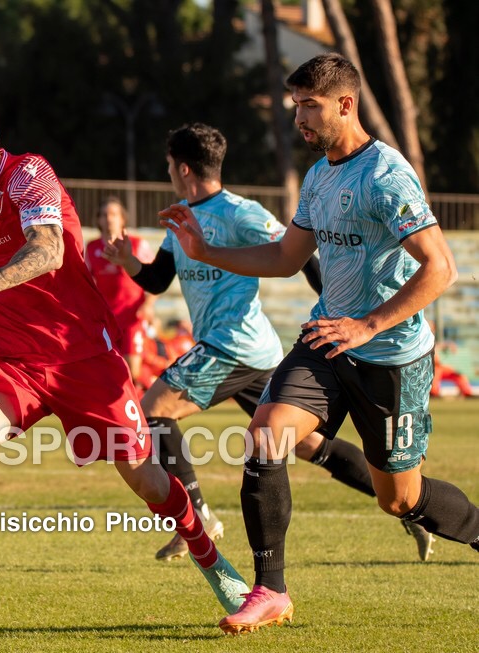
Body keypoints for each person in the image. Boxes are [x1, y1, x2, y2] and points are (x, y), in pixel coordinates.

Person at [158, 54, 479, 635]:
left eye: (310, 105)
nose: (299, 117)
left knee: (400, 500)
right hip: (327, 339)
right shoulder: (318, 177)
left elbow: (441, 267)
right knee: (265, 434)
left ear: (345, 105)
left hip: (391, 357)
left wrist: (369, 324)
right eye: (296, 105)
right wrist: (207, 253)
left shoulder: (386, 174)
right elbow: (286, 257)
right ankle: (270, 591)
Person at [0, 94, 249, 620]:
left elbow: (48, 250)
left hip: (83, 358)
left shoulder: (28, 174)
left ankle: (214, 563)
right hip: (16, 362)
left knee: (148, 481)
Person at [103, 122, 435, 564]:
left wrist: (338, 312)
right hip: (250, 353)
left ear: (183, 168)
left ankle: (197, 518)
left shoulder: (241, 212)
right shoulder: (181, 217)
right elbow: (159, 280)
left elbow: (299, 255)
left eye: (168, 166)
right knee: (307, 446)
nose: (168, 173)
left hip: (233, 344)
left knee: (152, 410)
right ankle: (409, 507)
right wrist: (129, 262)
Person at [84, 197, 154, 388]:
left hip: (132, 317)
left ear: (123, 218)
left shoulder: (137, 244)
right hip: (106, 319)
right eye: (104, 215)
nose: (109, 219)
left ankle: (147, 385)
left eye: (113, 214)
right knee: (109, 369)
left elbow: (155, 280)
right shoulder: (92, 247)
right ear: (98, 220)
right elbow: (87, 283)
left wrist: (148, 306)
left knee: (132, 371)